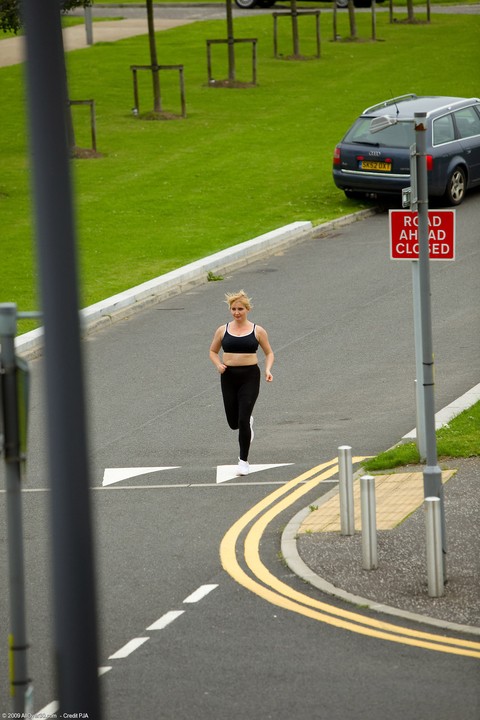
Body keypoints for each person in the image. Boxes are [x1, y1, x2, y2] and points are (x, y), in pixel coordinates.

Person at [209, 290, 274, 476]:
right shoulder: (223, 330)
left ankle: (243, 461)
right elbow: (212, 351)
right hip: (228, 377)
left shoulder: (257, 330)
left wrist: (268, 370)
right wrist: (218, 365)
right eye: (233, 309)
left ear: (247, 309)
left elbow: (269, 353)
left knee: (243, 419)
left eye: (240, 309)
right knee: (233, 422)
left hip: (249, 376)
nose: (237, 312)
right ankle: (247, 424)